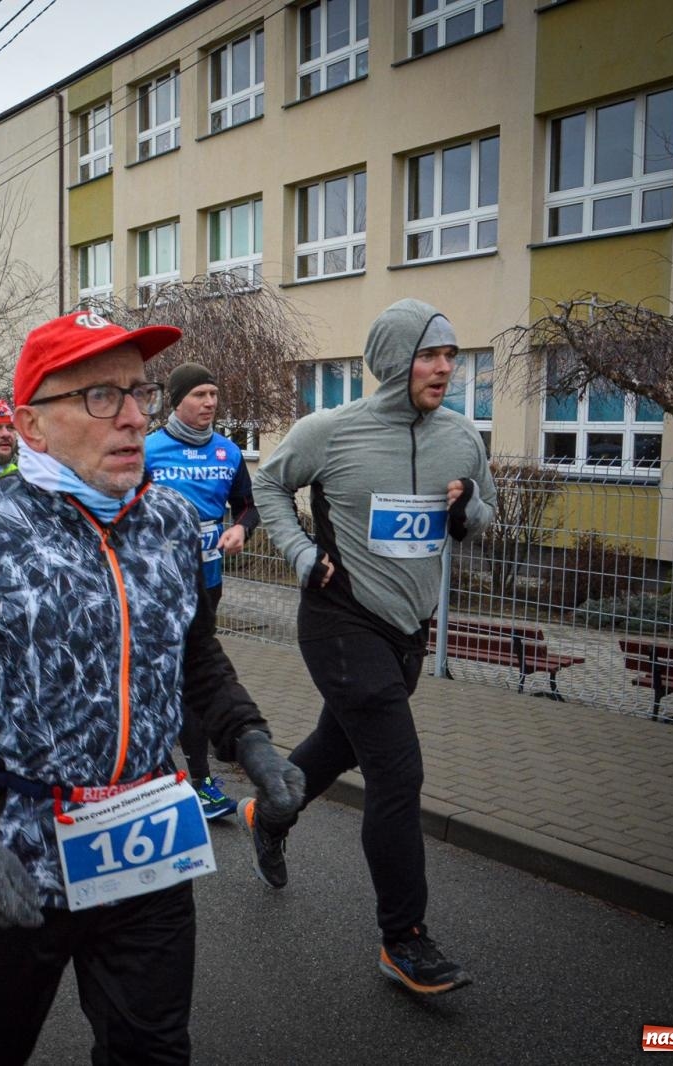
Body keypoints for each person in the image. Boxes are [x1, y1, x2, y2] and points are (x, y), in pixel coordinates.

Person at [0, 310, 305, 1065]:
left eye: (138, 392)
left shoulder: (168, 522)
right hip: (13, 858)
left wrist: (250, 739)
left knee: (155, 1051)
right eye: (101, 396)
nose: (133, 417)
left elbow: (193, 656)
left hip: (146, 848)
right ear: (31, 425)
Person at [250, 298, 496, 996]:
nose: (445, 367)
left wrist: (466, 505)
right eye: (430, 354)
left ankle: (271, 808)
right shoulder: (330, 430)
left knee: (338, 745)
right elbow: (268, 482)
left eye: (451, 355)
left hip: (406, 632)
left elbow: (482, 514)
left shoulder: (461, 436)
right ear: (393, 361)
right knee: (398, 772)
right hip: (337, 617)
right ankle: (404, 939)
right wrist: (299, 552)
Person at [144, 363, 261, 820]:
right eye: (200, 395)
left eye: (214, 393)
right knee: (164, 679)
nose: (210, 402)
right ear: (176, 401)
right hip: (153, 587)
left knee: (191, 679)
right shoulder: (148, 450)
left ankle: (197, 783)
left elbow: (248, 506)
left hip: (206, 583)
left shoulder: (228, 453)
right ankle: (179, 780)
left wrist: (240, 530)